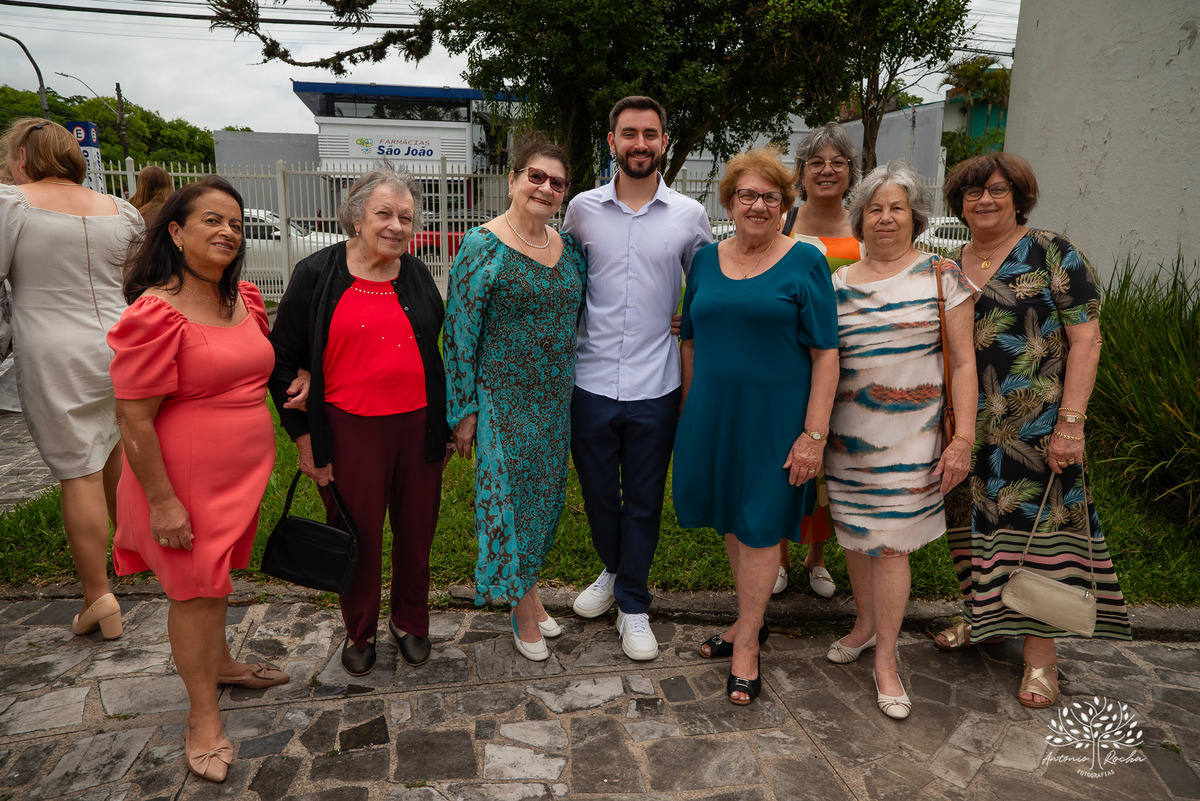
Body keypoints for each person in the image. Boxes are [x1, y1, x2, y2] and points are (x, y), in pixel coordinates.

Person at [934, 152, 1131, 708]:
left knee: (1037, 536)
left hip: (1037, 426)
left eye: (997, 190)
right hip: (969, 425)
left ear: (1019, 196)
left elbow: (1086, 340)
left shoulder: (1051, 250)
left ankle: (1042, 658)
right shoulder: (950, 264)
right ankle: (984, 617)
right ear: (959, 203)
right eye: (973, 193)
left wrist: (1071, 422)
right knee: (969, 524)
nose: (986, 200)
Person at [109, 176, 287, 783]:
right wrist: (162, 502)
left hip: (239, 477)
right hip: (182, 483)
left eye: (235, 223)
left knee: (216, 582)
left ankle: (226, 664)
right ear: (176, 233)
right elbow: (133, 416)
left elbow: (260, 365)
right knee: (195, 592)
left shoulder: (244, 298)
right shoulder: (155, 312)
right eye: (211, 220)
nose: (227, 231)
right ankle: (202, 717)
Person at [269, 167, 451, 677]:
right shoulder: (316, 273)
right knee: (359, 536)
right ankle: (361, 630)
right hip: (349, 431)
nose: (397, 226)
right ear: (356, 217)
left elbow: (435, 345)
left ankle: (411, 622)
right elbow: (281, 358)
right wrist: (304, 439)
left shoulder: (414, 272)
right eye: (385, 214)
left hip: (418, 428)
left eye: (406, 217)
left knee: (416, 535)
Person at [674, 148, 840, 704]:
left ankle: (747, 640)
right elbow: (690, 338)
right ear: (729, 201)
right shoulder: (704, 259)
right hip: (714, 416)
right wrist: (689, 409)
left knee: (762, 524)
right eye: (747, 195)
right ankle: (752, 619)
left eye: (771, 196)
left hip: (775, 422)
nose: (759, 205)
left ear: (784, 204)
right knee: (732, 516)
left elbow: (825, 354)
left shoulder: (805, 262)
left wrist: (813, 435)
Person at [821, 161, 977, 720]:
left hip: (913, 439)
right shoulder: (837, 283)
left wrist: (963, 441)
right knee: (857, 534)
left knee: (890, 546)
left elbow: (963, 364)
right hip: (849, 439)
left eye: (897, 208)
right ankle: (864, 626)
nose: (885, 218)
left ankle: (887, 659)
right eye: (875, 209)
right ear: (860, 219)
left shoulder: (942, 276)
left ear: (916, 218)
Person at [562, 96, 712, 662]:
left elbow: (707, 286)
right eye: (630, 133)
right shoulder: (580, 209)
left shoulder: (688, 216)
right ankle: (615, 567)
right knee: (600, 496)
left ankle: (632, 603)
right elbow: (564, 278)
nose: (641, 143)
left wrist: (688, 319)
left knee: (644, 500)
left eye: (651, 133)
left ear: (664, 141)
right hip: (590, 380)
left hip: (657, 381)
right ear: (612, 142)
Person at [444, 133, 586, 662]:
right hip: (501, 400)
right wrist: (463, 410)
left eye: (557, 182)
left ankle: (530, 589)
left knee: (544, 504)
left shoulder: (567, 247)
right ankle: (522, 609)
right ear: (513, 179)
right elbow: (458, 332)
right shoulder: (482, 244)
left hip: (554, 401)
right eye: (536, 176)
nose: (546, 188)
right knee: (511, 507)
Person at [0, 118, 142, 640]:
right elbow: (129, 272)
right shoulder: (116, 210)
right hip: (118, 340)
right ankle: (128, 559)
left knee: (76, 469)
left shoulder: (11, 203)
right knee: (110, 449)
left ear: (20, 158)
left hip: (53, 346)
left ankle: (97, 595)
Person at [771, 122, 866, 598]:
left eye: (837, 163)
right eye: (816, 163)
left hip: (854, 364)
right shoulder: (783, 221)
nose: (827, 171)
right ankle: (782, 556)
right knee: (788, 458)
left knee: (833, 464)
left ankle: (817, 556)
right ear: (801, 173)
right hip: (791, 364)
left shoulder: (868, 223)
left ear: (851, 171)